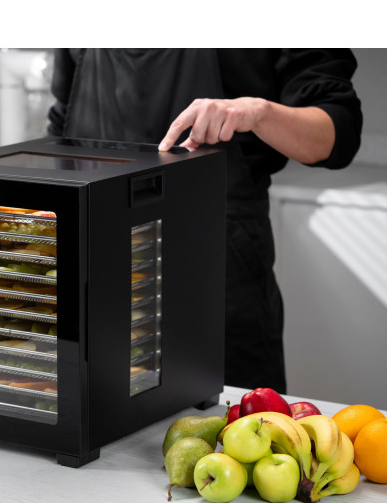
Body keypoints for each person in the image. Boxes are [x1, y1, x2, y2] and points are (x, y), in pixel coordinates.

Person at [47, 49, 363, 394]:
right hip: (96, 264)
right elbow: (61, 129)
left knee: (234, 416)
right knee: (96, 407)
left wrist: (257, 112)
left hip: (219, 267)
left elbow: (336, 134)